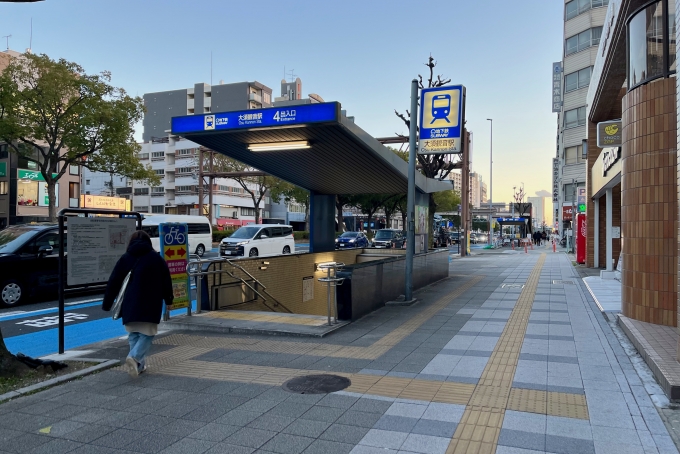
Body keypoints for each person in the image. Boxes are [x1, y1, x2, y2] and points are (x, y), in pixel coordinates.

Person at [102, 230, 174, 377]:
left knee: (134, 333)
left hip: (130, 303)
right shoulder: (156, 258)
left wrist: (107, 303)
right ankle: (134, 357)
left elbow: (114, 281)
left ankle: (138, 366)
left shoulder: (126, 257)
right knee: (147, 334)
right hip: (150, 303)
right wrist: (169, 300)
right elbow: (166, 281)